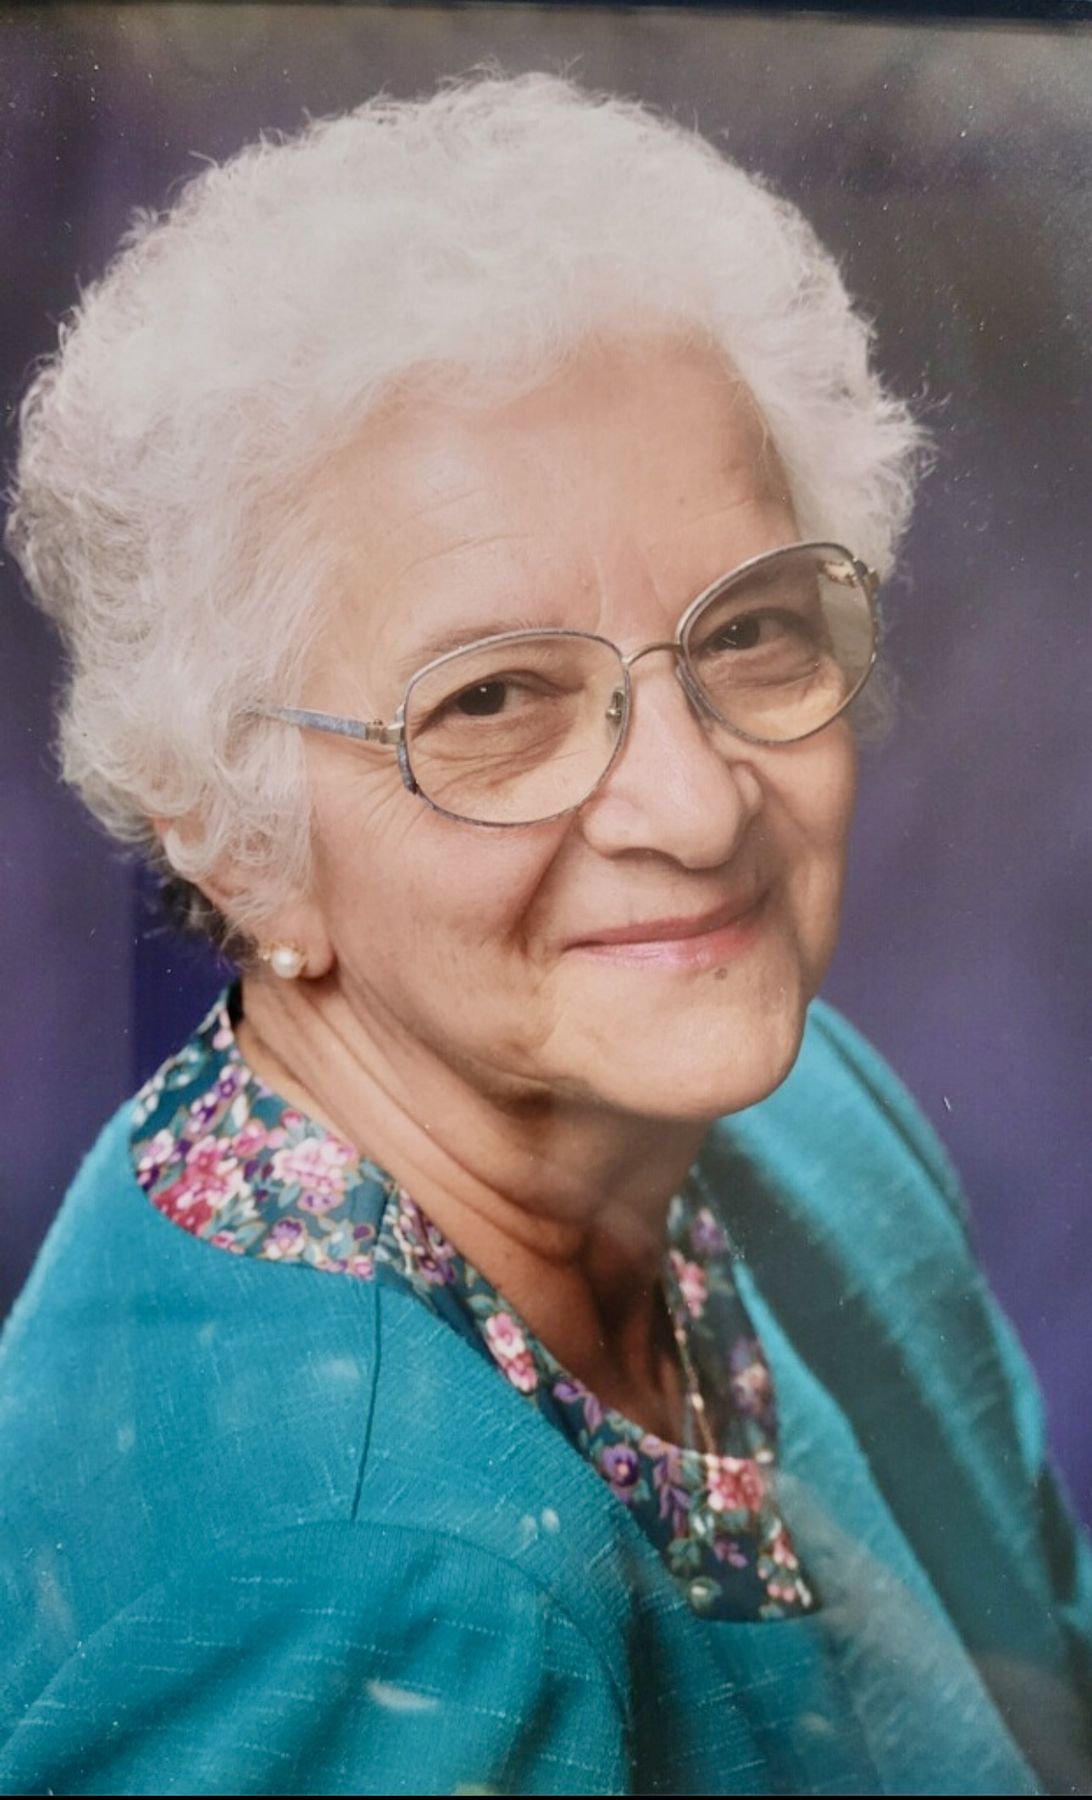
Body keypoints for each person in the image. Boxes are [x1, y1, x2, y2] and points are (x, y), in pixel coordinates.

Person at [1, 71, 1089, 1798]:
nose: (699, 807)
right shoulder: (357, 1586)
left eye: (749, 630)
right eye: (494, 699)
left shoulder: (805, 1116)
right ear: (233, 836)